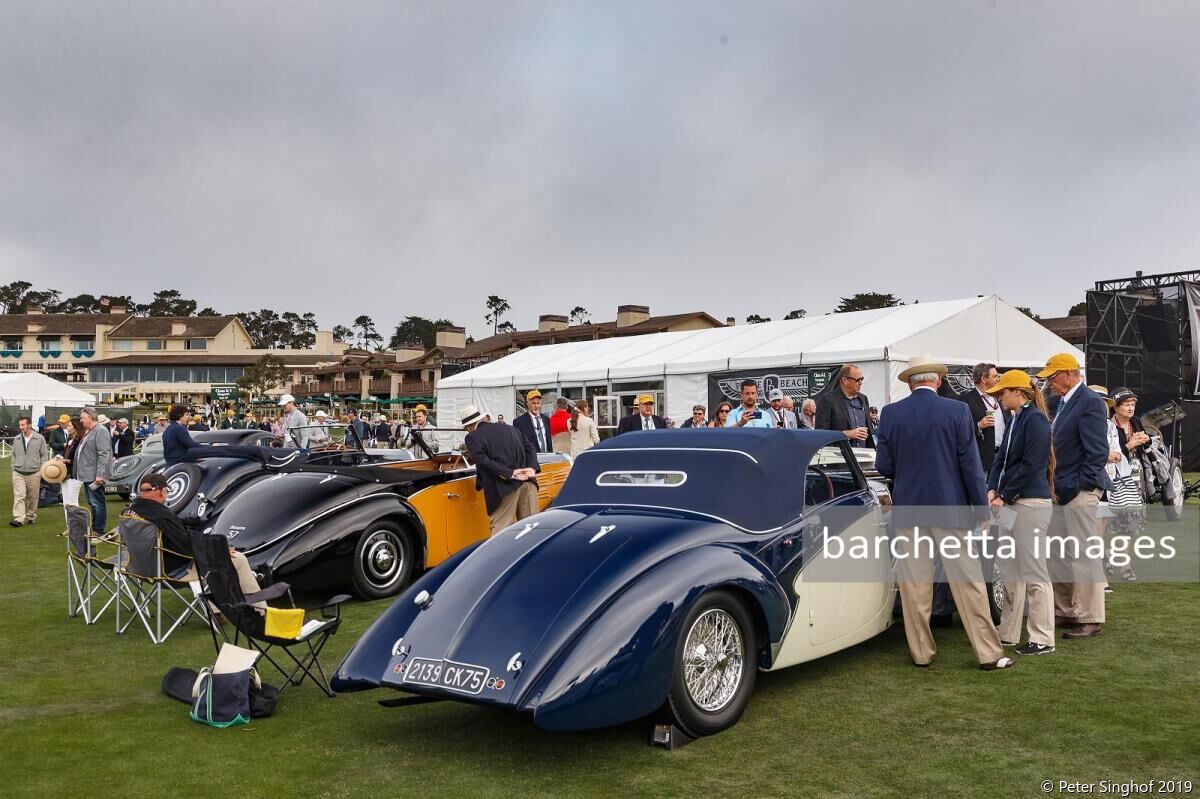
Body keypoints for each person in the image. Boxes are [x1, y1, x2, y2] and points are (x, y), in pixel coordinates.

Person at [874, 355, 1011, 671]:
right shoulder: (957, 410)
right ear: (937, 380)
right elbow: (970, 465)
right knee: (969, 584)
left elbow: (884, 465)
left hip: (909, 509)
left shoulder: (892, 413)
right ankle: (988, 653)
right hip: (950, 510)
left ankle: (921, 652)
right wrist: (981, 510)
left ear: (910, 384)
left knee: (914, 587)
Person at [1037, 353, 1112, 640]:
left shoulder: (1090, 402)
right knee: (1059, 553)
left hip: (1079, 490)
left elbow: (1098, 452)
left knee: (1082, 554)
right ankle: (1066, 609)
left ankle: (1090, 616)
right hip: (1061, 489)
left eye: (1053, 377)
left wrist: (1080, 485)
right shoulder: (1063, 402)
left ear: (1070, 374)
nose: (1050, 383)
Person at [986, 370, 1056, 655]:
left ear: (1018, 391)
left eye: (1002, 392)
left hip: (1030, 504)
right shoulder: (1017, 418)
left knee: (1034, 572)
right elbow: (1000, 459)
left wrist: (1002, 495)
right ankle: (1008, 632)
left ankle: (1043, 638)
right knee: (1009, 571)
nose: (999, 398)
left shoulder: (1035, 420)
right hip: (1011, 503)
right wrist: (992, 489)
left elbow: (1031, 465)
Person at [126, 473, 265, 610]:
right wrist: (220, 548)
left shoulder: (129, 513)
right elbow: (186, 546)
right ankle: (259, 610)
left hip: (139, 566)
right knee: (238, 559)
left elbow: (172, 533)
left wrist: (184, 523)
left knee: (211, 561)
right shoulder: (162, 515)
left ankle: (217, 609)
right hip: (170, 571)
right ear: (162, 492)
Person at [461, 404, 540, 533]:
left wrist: (510, 473)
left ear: (469, 427)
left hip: (503, 488)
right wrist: (531, 468)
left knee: (501, 534)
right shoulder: (510, 428)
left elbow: (483, 461)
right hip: (529, 482)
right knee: (532, 530)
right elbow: (530, 448)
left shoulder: (472, 437)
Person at [1106, 387, 1148, 582]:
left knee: (1131, 523)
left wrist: (1145, 440)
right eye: (1127, 405)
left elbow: (1144, 447)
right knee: (1118, 522)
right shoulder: (1109, 426)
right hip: (1116, 477)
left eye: (1133, 404)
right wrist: (1130, 445)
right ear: (1116, 407)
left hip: (1135, 477)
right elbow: (1112, 453)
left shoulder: (1135, 422)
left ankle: (1117, 558)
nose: (1131, 408)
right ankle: (1121, 561)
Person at [814, 364, 875, 447]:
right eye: (857, 380)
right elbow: (820, 434)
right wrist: (845, 434)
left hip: (864, 453)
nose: (861, 383)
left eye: (862, 379)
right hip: (840, 453)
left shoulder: (863, 399)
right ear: (845, 380)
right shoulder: (828, 400)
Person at [958, 363, 1004, 473]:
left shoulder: (1000, 396)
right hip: (981, 460)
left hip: (1003, 457)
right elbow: (960, 430)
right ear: (983, 379)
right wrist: (979, 425)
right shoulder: (966, 400)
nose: (998, 379)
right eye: (995, 376)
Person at [74, 407, 114, 534]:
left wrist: (100, 475)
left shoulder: (100, 431)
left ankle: (99, 529)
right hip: (88, 474)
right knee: (92, 503)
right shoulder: (90, 431)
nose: (81, 421)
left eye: (82, 418)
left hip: (95, 475)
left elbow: (104, 454)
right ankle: (95, 527)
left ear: (90, 417)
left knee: (97, 502)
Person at [10, 416, 48, 527]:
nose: (21, 427)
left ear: (29, 425)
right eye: (20, 425)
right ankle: (19, 519)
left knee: (32, 497)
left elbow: (44, 455)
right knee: (19, 496)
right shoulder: (17, 439)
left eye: (23, 425)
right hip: (18, 472)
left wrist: (42, 470)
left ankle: (31, 515)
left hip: (34, 473)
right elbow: (13, 454)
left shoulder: (39, 438)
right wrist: (13, 467)